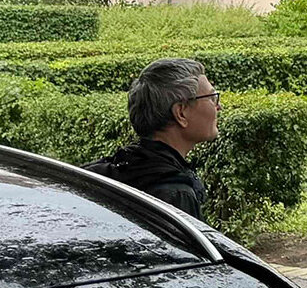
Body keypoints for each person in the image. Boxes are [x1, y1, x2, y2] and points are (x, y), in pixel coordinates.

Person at [85, 58, 218, 219]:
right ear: (181, 112)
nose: (218, 106)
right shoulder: (175, 194)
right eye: (212, 98)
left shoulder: (100, 173)